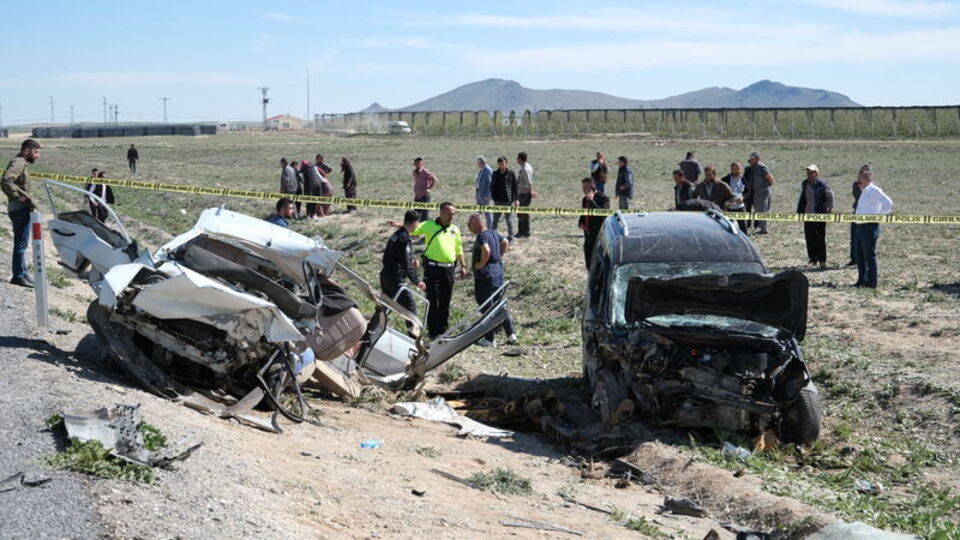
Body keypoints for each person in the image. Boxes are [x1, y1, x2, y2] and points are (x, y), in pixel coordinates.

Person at [410, 202, 467, 338]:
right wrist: (401, 225)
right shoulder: (430, 225)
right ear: (441, 212)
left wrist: (463, 266)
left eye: (453, 214)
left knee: (445, 300)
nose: (451, 216)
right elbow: (413, 229)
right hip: (432, 269)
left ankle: (443, 330)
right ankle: (433, 332)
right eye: (449, 213)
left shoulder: (455, 230)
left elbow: (458, 249)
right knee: (432, 299)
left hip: (448, 270)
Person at [468, 213, 517, 347]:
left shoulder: (482, 235)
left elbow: (486, 250)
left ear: (478, 223)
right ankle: (511, 333)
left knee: (487, 305)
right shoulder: (493, 233)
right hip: (497, 273)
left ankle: (489, 339)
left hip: (486, 275)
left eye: (470, 222)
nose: (468, 225)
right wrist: (499, 257)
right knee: (499, 304)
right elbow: (505, 242)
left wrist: (481, 264)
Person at [2, 139, 41, 288]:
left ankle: (23, 273)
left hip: (20, 208)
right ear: (26, 151)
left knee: (22, 243)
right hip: (19, 208)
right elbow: (6, 180)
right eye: (36, 152)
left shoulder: (21, 162)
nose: (37, 156)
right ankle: (18, 276)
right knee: (20, 244)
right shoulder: (18, 162)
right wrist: (18, 196)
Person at [380, 210, 426, 334]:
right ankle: (414, 338)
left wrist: (411, 260)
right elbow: (405, 264)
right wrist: (417, 281)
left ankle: (375, 328)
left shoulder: (396, 235)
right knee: (410, 307)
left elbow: (393, 256)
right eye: (418, 223)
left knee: (385, 306)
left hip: (386, 275)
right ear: (415, 222)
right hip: (396, 278)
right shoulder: (404, 238)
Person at [853, 166, 893, 288]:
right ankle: (861, 280)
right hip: (860, 227)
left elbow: (888, 203)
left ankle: (872, 282)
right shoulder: (864, 191)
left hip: (869, 227)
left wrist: (879, 216)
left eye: (860, 178)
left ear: (866, 178)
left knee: (869, 255)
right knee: (859, 255)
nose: (858, 180)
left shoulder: (875, 190)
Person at [796, 165, 835, 269]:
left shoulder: (822, 184)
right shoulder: (805, 184)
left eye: (811, 173)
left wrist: (828, 209)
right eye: (807, 173)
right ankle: (813, 259)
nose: (809, 175)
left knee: (820, 238)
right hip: (808, 214)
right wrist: (800, 211)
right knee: (809, 237)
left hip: (820, 215)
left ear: (816, 174)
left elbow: (830, 196)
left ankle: (822, 260)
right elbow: (803, 198)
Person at [579, 178, 610, 268]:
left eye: (586, 188)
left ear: (592, 187)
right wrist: (581, 222)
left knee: (598, 261)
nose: (584, 190)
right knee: (588, 262)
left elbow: (604, 214)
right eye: (583, 188)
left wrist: (592, 201)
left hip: (598, 234)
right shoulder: (584, 200)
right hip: (588, 234)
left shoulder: (603, 198)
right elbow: (584, 212)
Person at [490, 156, 518, 242]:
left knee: (509, 221)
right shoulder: (495, 173)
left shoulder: (511, 173)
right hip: (498, 201)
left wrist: (516, 199)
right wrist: (493, 196)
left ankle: (511, 237)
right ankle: (493, 237)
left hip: (507, 201)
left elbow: (515, 187)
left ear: (506, 164)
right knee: (495, 220)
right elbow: (492, 186)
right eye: (499, 164)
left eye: (503, 164)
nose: (501, 166)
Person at [747, 151, 775, 234]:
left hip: (762, 192)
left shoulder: (762, 168)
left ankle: (764, 229)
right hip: (757, 193)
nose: (751, 161)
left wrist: (764, 188)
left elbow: (770, 179)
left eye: (753, 159)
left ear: (757, 159)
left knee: (762, 210)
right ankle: (761, 227)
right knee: (759, 209)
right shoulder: (753, 168)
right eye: (751, 159)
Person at [847, 166, 866, 267]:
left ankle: (863, 259)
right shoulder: (856, 185)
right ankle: (854, 259)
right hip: (856, 212)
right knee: (854, 237)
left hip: (867, 214)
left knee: (864, 238)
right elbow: (856, 196)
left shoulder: (871, 187)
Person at [721, 162, 749, 232]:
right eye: (736, 168)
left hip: (740, 207)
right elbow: (721, 193)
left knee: (743, 227)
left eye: (739, 168)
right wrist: (727, 202)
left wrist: (743, 198)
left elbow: (748, 192)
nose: (737, 170)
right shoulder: (725, 180)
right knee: (728, 227)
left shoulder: (743, 179)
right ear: (731, 169)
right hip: (729, 208)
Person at [515, 152, 535, 238]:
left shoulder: (525, 169)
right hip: (523, 193)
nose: (517, 160)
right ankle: (525, 231)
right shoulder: (528, 166)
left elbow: (528, 183)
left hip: (523, 194)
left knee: (522, 214)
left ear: (521, 159)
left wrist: (531, 192)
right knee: (523, 213)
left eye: (518, 158)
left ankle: (522, 232)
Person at [412, 157, 437, 221]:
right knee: (416, 213)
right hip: (417, 195)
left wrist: (429, 188)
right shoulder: (414, 172)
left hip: (424, 195)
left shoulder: (425, 171)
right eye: (417, 163)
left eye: (420, 163)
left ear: (422, 163)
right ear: (414, 164)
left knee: (425, 214)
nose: (418, 164)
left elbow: (434, 179)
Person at [474, 156, 493, 228]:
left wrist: (488, 195)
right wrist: (477, 193)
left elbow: (490, 183)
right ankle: (480, 227)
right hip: (479, 194)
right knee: (479, 212)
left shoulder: (488, 170)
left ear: (481, 162)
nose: (477, 164)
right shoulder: (482, 169)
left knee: (487, 213)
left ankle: (490, 228)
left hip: (485, 195)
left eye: (478, 162)